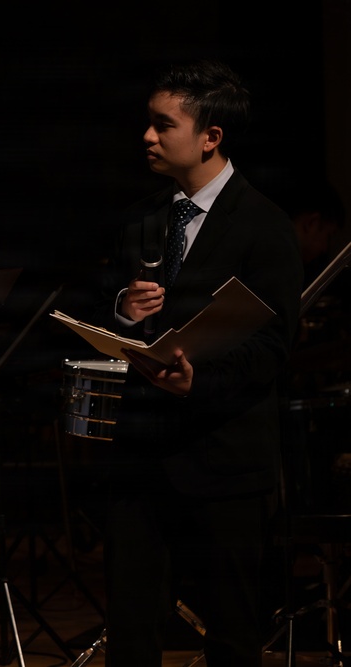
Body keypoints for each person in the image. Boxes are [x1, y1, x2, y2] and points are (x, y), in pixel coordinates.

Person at [90, 60, 303, 666]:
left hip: (224, 461)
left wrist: (199, 380)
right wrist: (125, 313)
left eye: (164, 126)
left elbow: (274, 344)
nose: (148, 138)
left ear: (210, 136)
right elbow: (101, 309)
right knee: (132, 631)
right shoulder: (141, 218)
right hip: (140, 458)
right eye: (148, 124)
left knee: (232, 635)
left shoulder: (264, 225)